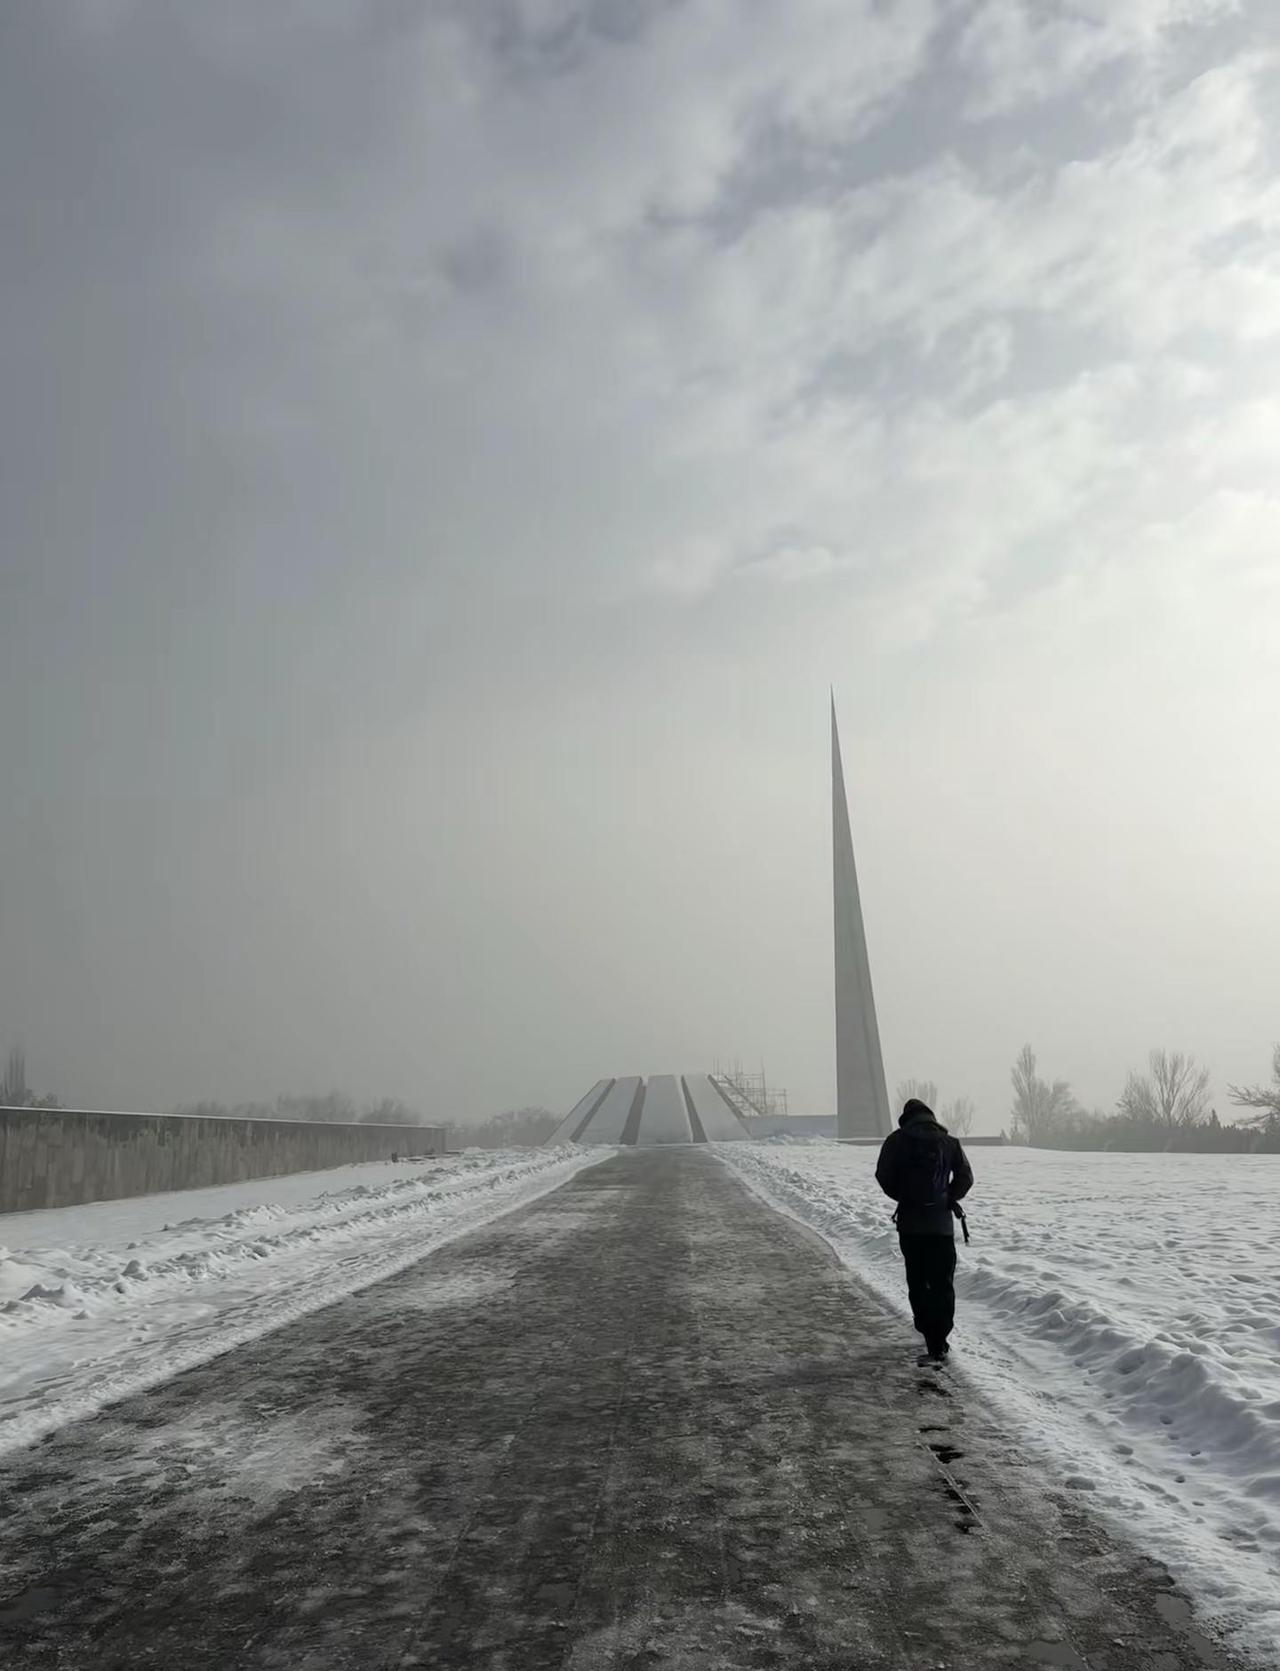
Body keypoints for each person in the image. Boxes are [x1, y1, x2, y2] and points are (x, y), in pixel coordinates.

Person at [875, 1097, 973, 1363]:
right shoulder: (949, 1142)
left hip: (911, 1225)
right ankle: (940, 1337)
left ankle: (929, 1335)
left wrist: (904, 1197)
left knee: (918, 1282)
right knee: (943, 1283)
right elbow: (966, 1176)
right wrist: (947, 1197)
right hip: (941, 1226)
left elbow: (883, 1176)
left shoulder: (896, 1141)